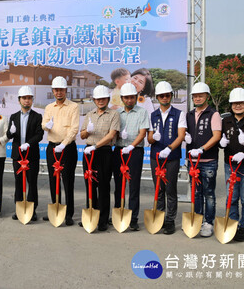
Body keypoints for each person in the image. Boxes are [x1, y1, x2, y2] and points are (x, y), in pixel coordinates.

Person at [147, 81, 187, 234]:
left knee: (170, 189)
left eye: (167, 95)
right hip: (156, 157)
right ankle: (160, 217)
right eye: (161, 95)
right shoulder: (153, 115)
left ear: (171, 96)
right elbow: (149, 139)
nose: (164, 97)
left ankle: (170, 220)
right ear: (157, 97)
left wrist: (169, 148)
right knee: (158, 189)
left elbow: (181, 135)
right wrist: (153, 138)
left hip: (172, 157)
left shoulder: (178, 114)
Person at [219, 87, 244, 242]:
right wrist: (222, 144)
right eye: (235, 103)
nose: (238, 106)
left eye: (241, 103)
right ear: (231, 105)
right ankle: (233, 223)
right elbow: (221, 142)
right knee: (232, 197)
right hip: (230, 166)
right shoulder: (226, 121)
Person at [79, 85, 120, 231]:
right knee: (89, 185)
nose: (100, 101)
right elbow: (82, 135)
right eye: (98, 99)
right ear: (94, 100)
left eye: (103, 99)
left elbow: (111, 135)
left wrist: (95, 146)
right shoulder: (89, 114)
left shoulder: (114, 114)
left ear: (107, 99)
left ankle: (102, 219)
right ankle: (91, 214)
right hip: (89, 152)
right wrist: (87, 131)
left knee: (103, 185)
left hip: (104, 152)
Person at [185, 82, 221, 237]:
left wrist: (201, 149)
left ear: (207, 96)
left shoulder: (213, 114)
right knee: (196, 192)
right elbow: (185, 132)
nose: (198, 98)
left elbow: (217, 136)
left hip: (208, 161)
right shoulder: (189, 114)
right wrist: (185, 138)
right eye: (195, 96)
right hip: (192, 162)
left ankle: (208, 222)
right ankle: (197, 219)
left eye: (201, 95)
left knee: (209, 193)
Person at [41, 76, 79, 226]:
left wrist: (63, 144)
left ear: (65, 90)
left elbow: (74, 128)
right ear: (53, 91)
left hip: (68, 148)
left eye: (61, 90)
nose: (59, 92)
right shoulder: (49, 107)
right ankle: (55, 208)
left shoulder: (73, 107)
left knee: (68, 180)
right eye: (56, 90)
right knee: (53, 179)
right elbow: (43, 123)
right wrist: (46, 126)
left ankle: (69, 213)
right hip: (52, 147)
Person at [112, 83, 150, 231]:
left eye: (132, 97)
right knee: (118, 184)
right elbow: (113, 131)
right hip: (119, 150)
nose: (129, 100)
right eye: (126, 98)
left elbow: (142, 133)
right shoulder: (117, 113)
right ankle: (118, 212)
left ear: (136, 97)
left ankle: (133, 218)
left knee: (133, 185)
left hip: (135, 151)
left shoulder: (142, 112)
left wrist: (132, 146)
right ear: (122, 98)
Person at [7, 86, 43, 221]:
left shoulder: (37, 116)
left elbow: (40, 134)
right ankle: (19, 208)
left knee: (32, 182)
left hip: (31, 155)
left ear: (32, 100)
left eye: (29, 98)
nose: (27, 101)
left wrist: (29, 143)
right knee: (18, 182)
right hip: (17, 155)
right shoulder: (13, 117)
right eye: (24, 98)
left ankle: (32, 210)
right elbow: (9, 135)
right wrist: (11, 131)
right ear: (19, 100)